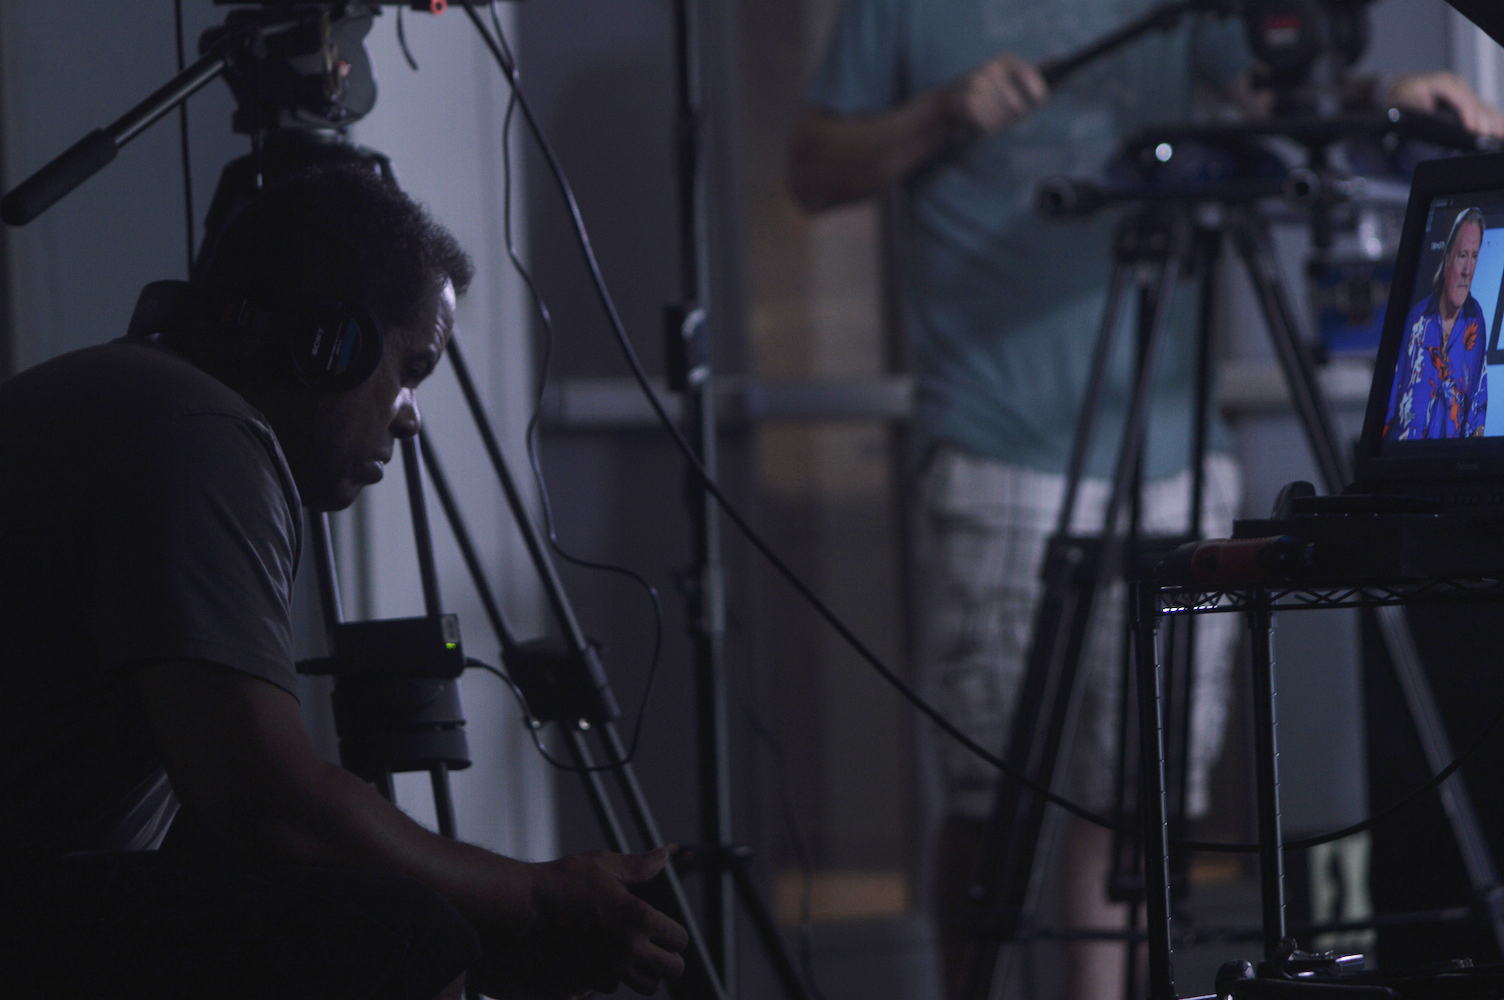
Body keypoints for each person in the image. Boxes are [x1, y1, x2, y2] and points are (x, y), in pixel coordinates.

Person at [787, 3, 1504, 1000]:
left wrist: (1380, 97)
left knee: (1138, 798)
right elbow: (813, 169)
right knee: (994, 798)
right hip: (999, 446)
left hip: (1176, 450)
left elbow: (1267, 88)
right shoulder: (897, 11)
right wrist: (943, 111)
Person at [0, 164, 687, 999]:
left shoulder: (146, 402)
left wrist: (487, 928)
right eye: (411, 367)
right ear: (330, 343)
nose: (410, 416)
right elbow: (269, 806)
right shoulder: (198, 437)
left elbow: (212, 825)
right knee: (403, 935)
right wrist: (535, 897)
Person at [1386, 206, 1488, 440]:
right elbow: (1390, 399)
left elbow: (1477, 407)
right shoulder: (1417, 319)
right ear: (1447, 258)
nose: (1468, 271)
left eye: (1474, 257)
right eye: (1462, 256)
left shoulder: (1476, 320)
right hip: (1406, 456)